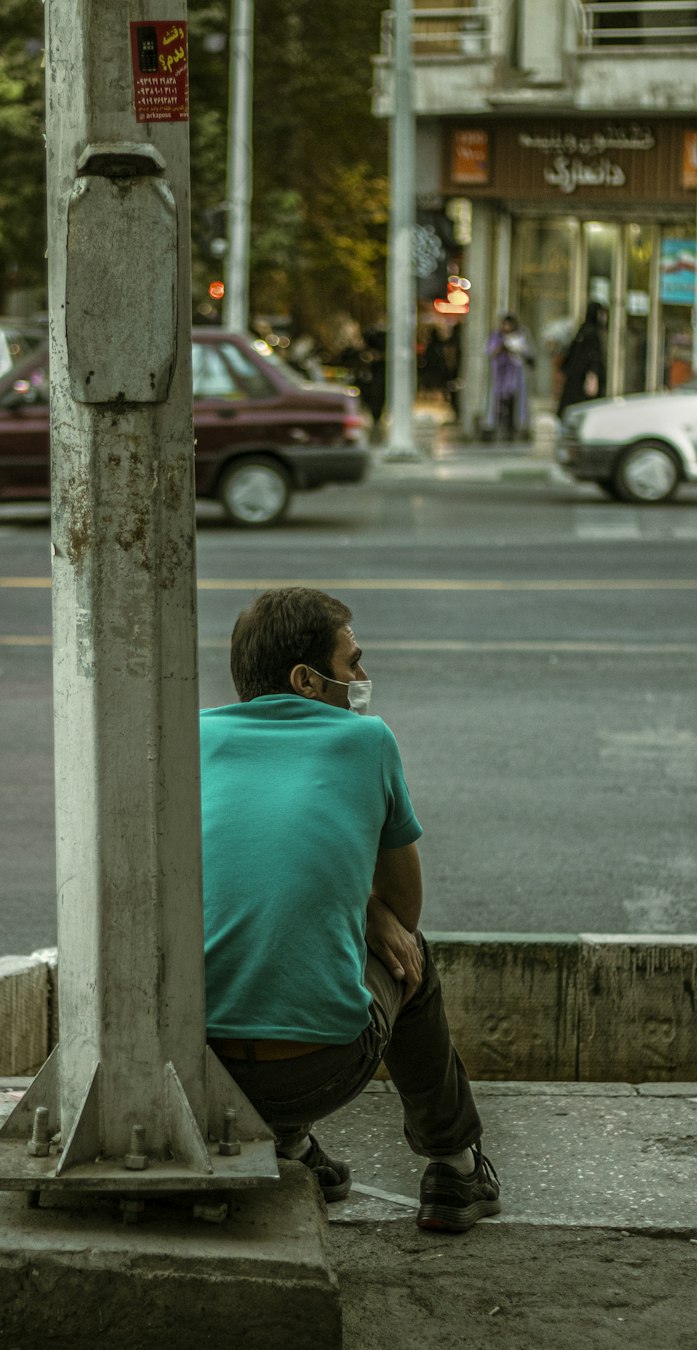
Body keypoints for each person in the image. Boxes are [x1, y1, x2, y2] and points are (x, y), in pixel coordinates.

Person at [200, 587, 500, 1234]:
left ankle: (290, 1147)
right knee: (410, 961)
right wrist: (371, 909)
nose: (363, 678)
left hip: (198, 1073)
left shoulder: (191, 740)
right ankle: (455, 1168)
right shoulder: (365, 739)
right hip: (322, 1072)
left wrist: (355, 904)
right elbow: (403, 912)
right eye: (353, 662)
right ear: (307, 680)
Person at [483, 312, 532, 441]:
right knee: (497, 403)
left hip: (514, 376)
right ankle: (496, 428)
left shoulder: (520, 336)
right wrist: (501, 347)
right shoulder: (496, 337)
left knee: (513, 404)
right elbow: (490, 352)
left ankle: (512, 428)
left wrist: (513, 349)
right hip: (498, 375)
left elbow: (526, 352)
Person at [556, 301, 608, 417]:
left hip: (575, 379)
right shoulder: (592, 333)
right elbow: (593, 357)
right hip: (583, 379)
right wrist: (593, 373)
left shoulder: (583, 331)